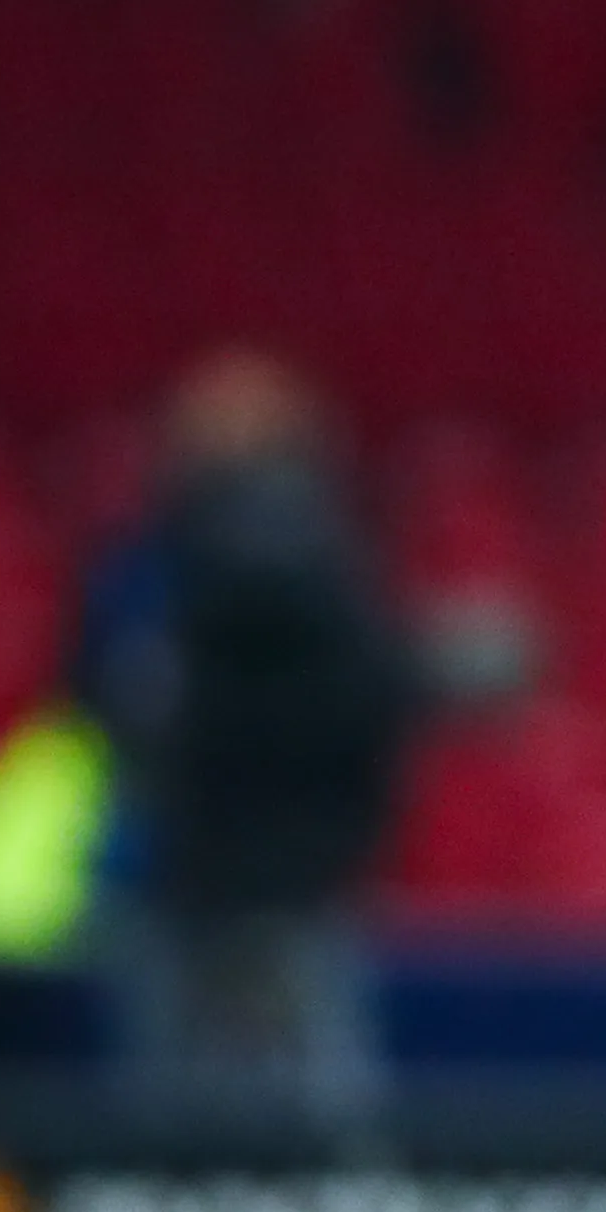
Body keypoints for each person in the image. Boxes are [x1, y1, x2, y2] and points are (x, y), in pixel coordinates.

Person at [70, 350, 417, 1123]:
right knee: (166, 1128)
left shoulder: (334, 577)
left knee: (327, 1123)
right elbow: (94, 703)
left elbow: (370, 717)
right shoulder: (144, 573)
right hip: (172, 885)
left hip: (301, 895)